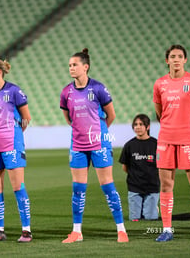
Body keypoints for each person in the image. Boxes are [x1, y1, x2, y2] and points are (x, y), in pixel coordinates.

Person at [60, 48, 129, 243]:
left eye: (75, 65)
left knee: (107, 186)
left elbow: (111, 115)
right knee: (78, 188)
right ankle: (76, 232)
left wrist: (98, 133)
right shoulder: (66, 92)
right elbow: (68, 117)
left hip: (99, 143)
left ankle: (121, 230)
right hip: (77, 145)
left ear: (86, 67)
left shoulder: (98, 88)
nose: (71, 68)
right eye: (70, 65)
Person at [153, 44, 190, 242]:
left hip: (188, 141)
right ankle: (167, 230)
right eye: (172, 56)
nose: (176, 59)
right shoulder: (159, 84)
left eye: (179, 56)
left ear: (185, 60)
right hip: (165, 140)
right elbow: (159, 112)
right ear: (167, 60)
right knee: (166, 184)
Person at [0, 59, 32, 243]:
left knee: (18, 187)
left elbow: (26, 117)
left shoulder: (14, 91)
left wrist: (15, 135)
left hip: (12, 146)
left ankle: (26, 230)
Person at [119, 114, 159, 221]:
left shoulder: (156, 144)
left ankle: (152, 208)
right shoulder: (129, 145)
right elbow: (125, 167)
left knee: (150, 218)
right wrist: (135, 176)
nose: (138, 127)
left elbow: (161, 165)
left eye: (141, 124)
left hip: (152, 186)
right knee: (135, 219)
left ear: (148, 127)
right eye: (135, 124)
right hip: (134, 187)